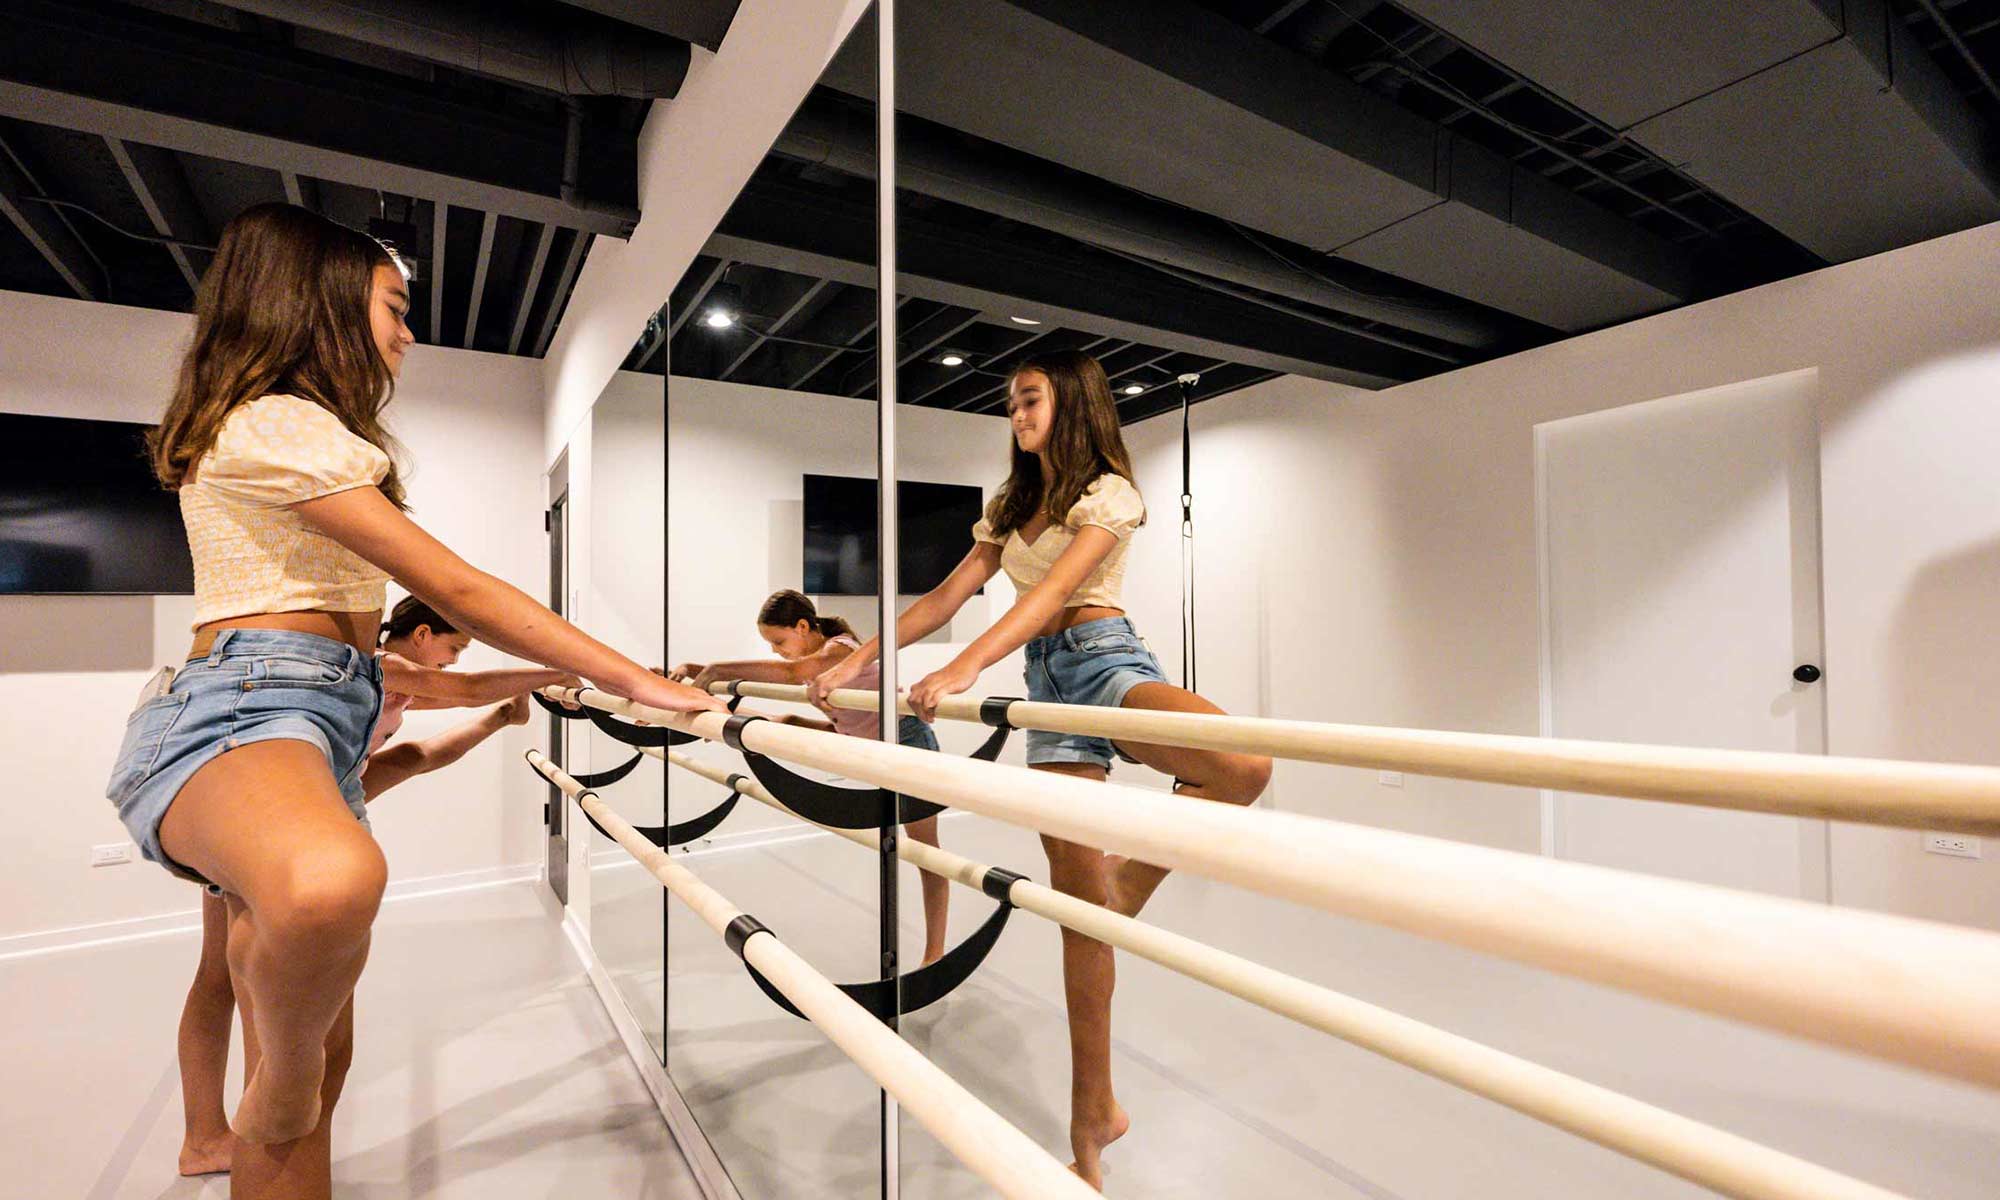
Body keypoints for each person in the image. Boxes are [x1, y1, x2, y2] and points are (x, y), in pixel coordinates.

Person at [108, 202, 721, 1200]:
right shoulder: (273, 423)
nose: (406, 332)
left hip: (320, 715)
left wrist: (548, 687)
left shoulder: (300, 434)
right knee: (327, 891)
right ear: (319, 308)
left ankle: (282, 1097)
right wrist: (633, 677)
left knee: (317, 1064)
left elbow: (454, 676)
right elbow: (465, 590)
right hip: (248, 707)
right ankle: (274, 1085)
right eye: (393, 307)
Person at [805, 350, 1270, 1188]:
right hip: (1044, 688)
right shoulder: (1008, 505)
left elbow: (1053, 595)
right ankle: (1093, 1121)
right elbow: (947, 596)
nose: (1016, 416)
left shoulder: (1110, 493)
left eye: (1030, 400)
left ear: (1074, 405)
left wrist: (964, 668)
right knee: (1076, 918)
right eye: (1010, 403)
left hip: (1105, 663)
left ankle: (1121, 897)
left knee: (1240, 766)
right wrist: (859, 662)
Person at [174, 596, 580, 1176]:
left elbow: (416, 754)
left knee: (222, 977)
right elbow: (467, 688)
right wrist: (573, 669)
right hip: (276, 821)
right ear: (419, 635)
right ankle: (250, 1151)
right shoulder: (366, 667)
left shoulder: (393, 691)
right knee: (276, 1012)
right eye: (450, 648)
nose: (450, 662)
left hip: (286, 807)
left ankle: (205, 1140)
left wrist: (498, 719)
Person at [671, 588, 951, 966]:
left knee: (926, 853)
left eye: (778, 641)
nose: (775, 650)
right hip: (863, 741)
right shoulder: (817, 656)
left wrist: (717, 669)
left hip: (906, 740)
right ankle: (715, 717)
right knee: (781, 723)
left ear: (803, 626)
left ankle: (934, 953)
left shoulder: (838, 649)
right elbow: (787, 672)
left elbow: (791, 673)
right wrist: (697, 670)